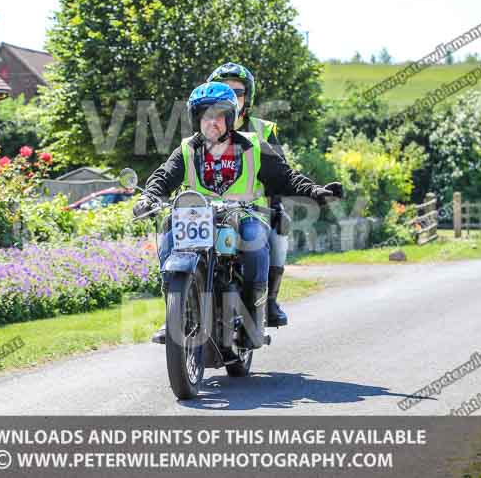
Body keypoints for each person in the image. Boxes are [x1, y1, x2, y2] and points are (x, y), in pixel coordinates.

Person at [135, 82, 341, 344]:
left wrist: (316, 191)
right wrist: (148, 197)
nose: (213, 122)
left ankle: (253, 318)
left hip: (245, 215)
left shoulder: (253, 146)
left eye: (220, 115)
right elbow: (163, 177)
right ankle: (176, 312)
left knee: (255, 240)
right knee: (168, 229)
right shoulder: (187, 149)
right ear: (196, 118)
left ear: (230, 118)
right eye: (206, 116)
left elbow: (285, 177)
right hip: (198, 217)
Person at [206, 63, 341, 328]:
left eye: (238, 91)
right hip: (208, 209)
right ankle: (179, 309)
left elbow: (280, 172)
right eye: (223, 90)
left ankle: (268, 301)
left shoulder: (263, 129)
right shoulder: (203, 126)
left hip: (253, 209)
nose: (231, 96)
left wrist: (278, 206)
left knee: (281, 224)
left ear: (249, 97)